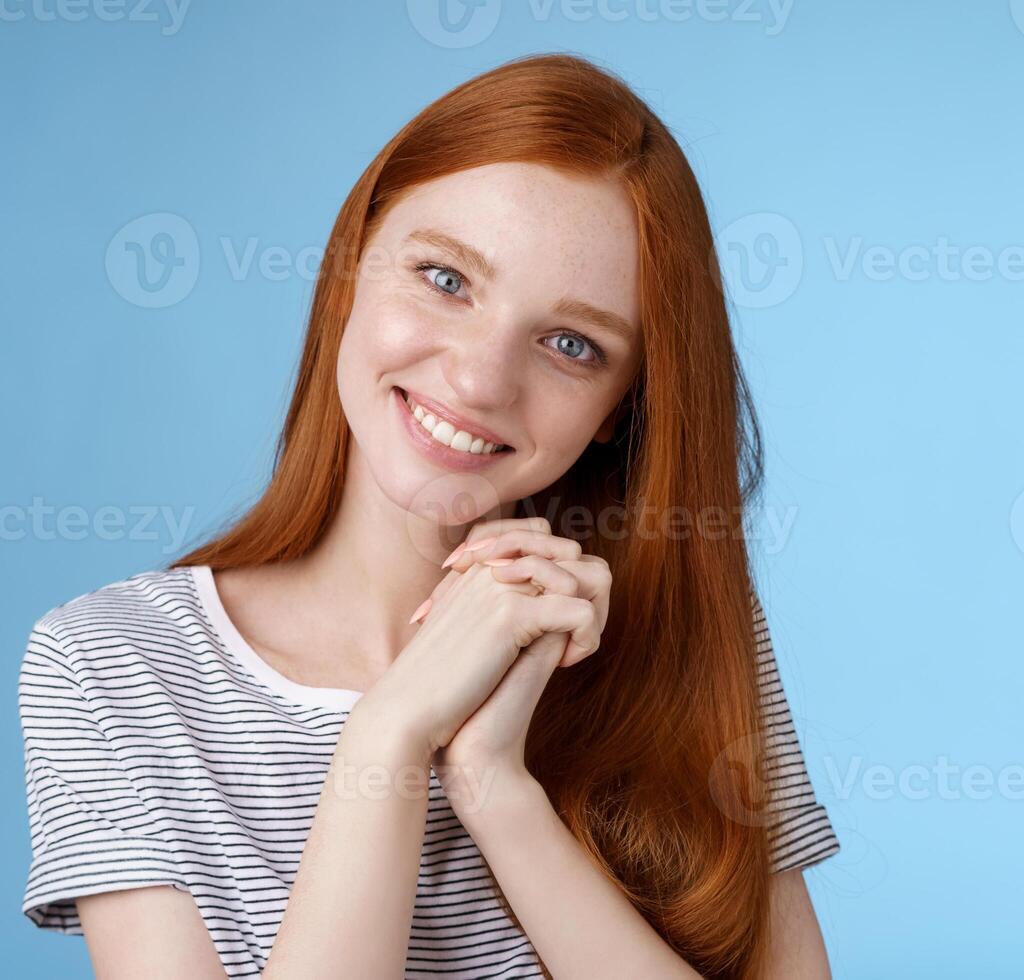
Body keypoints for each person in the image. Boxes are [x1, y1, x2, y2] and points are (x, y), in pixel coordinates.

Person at [18, 54, 837, 979]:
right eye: (446, 280)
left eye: (572, 345)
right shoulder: (109, 668)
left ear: (620, 408)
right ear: (348, 269)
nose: (481, 380)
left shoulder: (680, 635)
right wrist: (390, 735)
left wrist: (496, 789)